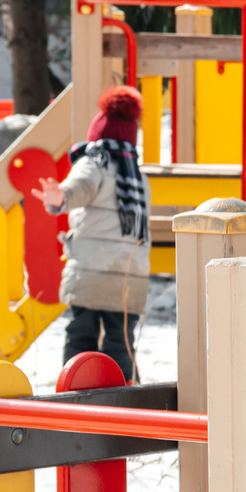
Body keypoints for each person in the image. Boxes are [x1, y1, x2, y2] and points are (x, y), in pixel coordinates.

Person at [34, 85, 150, 380]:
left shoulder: (94, 162)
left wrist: (60, 197)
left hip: (90, 271)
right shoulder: (138, 176)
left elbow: (80, 186)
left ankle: (74, 392)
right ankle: (124, 396)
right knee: (120, 341)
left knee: (81, 337)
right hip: (128, 275)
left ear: (97, 134)